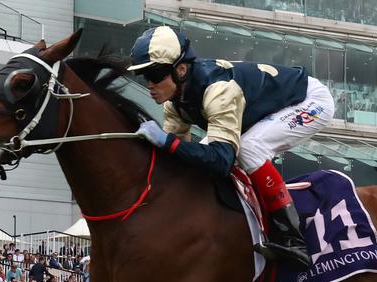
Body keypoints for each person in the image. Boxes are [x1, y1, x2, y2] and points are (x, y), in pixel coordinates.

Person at [128, 26, 335, 266]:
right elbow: (180, 161)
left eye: (155, 75)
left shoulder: (218, 90)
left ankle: (293, 239)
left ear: (181, 69)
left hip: (309, 100)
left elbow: (221, 161)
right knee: (198, 158)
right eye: (144, 77)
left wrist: (167, 142)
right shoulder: (174, 104)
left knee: (247, 148)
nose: (149, 85)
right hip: (260, 110)